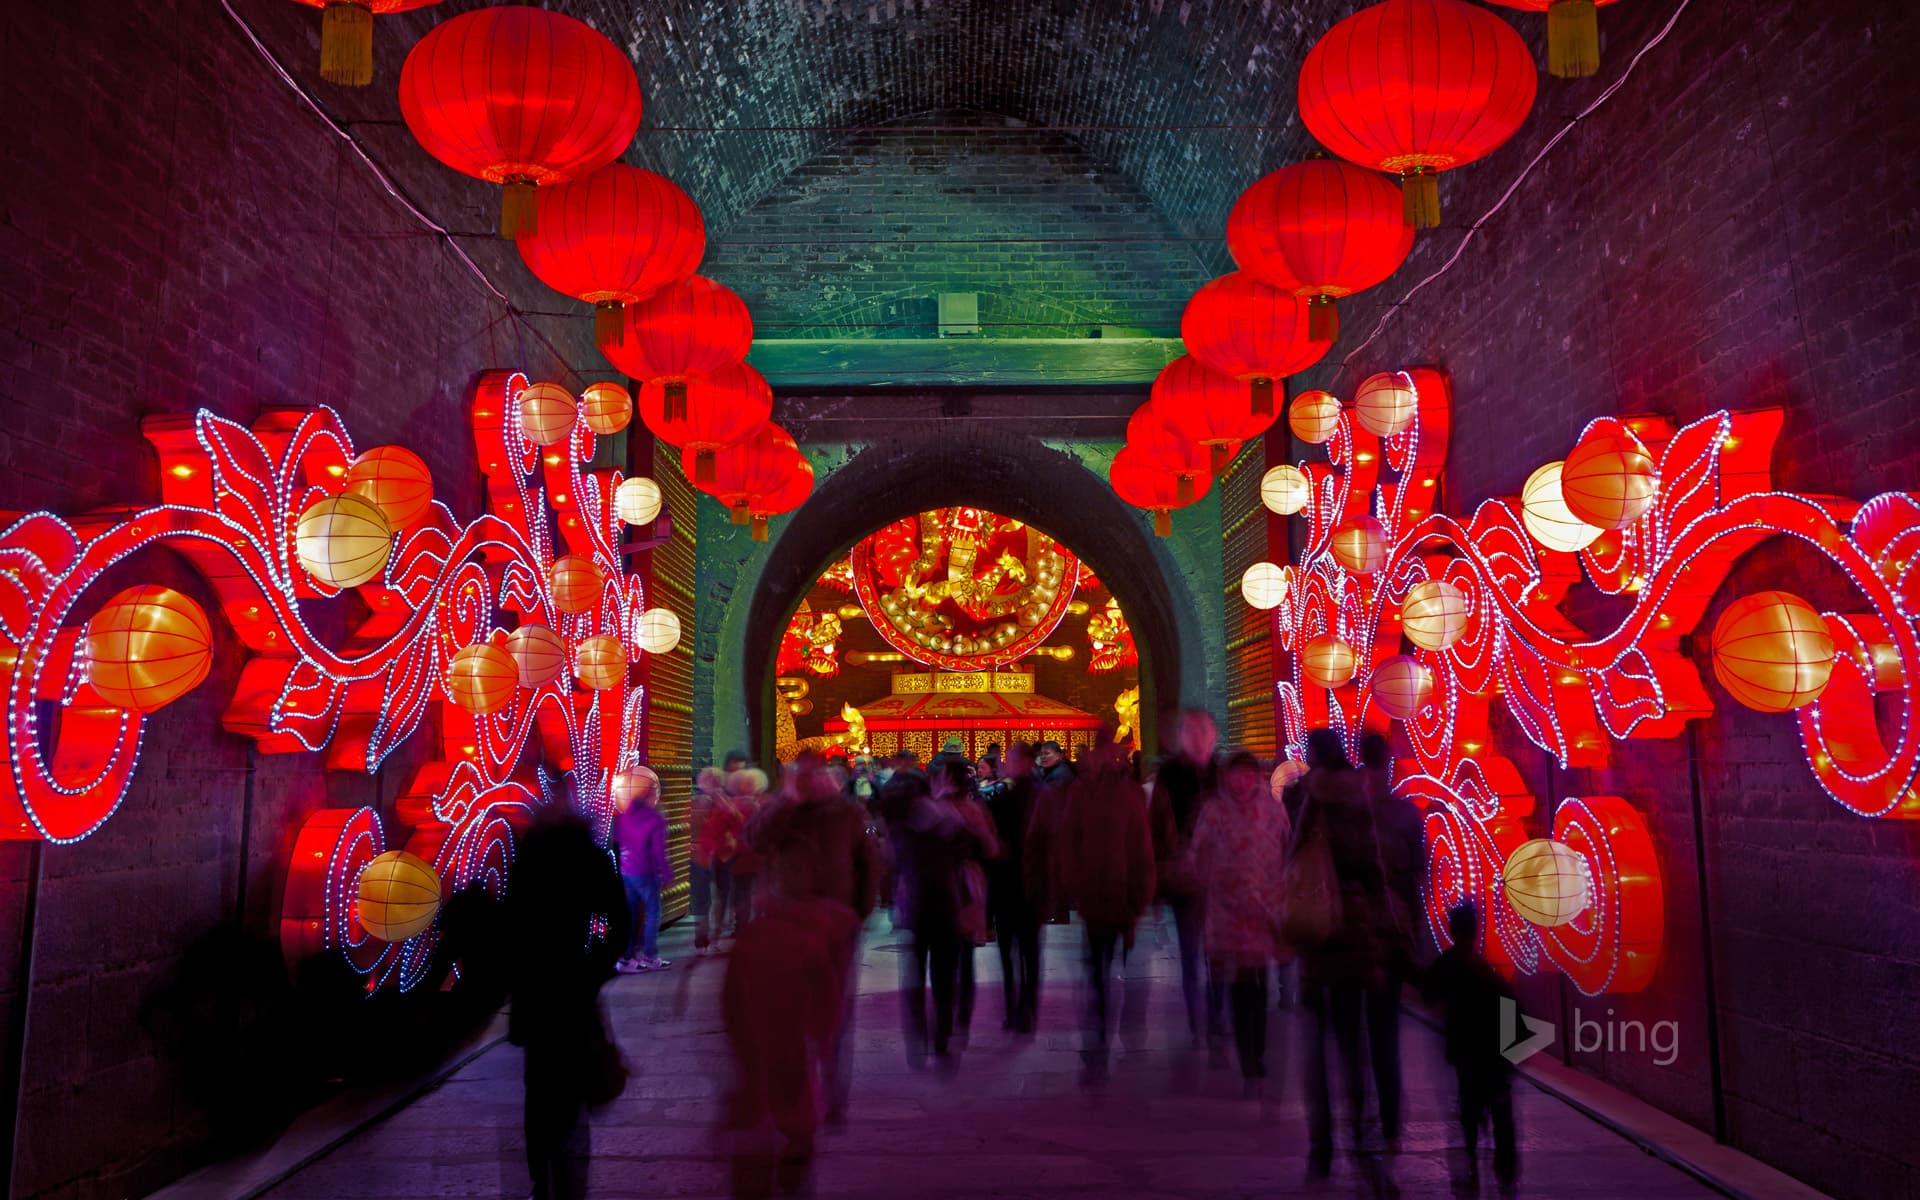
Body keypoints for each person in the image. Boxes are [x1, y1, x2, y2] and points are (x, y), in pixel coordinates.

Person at [507, 809, 629, 1200]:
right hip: (573, 986)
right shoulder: (589, 857)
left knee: (538, 1091)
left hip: (536, 989)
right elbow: (619, 921)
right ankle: (569, 1180)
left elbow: (511, 921)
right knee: (572, 1087)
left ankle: (541, 1180)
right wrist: (595, 969)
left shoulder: (528, 857)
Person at [1294, 729, 1400, 1175]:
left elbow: (1294, 860)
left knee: (1316, 1045)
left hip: (1321, 936)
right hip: (1361, 937)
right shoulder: (1363, 800)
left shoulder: (1308, 797)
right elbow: (1378, 868)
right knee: (1354, 1042)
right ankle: (1362, 1131)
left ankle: (1322, 1144)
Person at [1054, 730, 1156, 1084]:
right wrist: (1077, 888)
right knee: (1100, 973)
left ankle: (1112, 1039)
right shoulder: (1085, 793)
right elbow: (1069, 843)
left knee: (1112, 973)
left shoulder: (1120, 793)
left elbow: (1141, 848)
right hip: (1099, 897)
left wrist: (1142, 895)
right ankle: (1099, 1043)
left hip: (1120, 895)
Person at [1190, 750, 1291, 1096]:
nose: (1242, 780)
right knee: (1239, 985)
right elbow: (1199, 855)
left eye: (1248, 773)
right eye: (1236, 774)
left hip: (1263, 911)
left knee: (1258, 983)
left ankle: (1256, 1053)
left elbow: (1286, 850)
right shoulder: (1214, 811)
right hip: (1228, 912)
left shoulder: (1272, 809)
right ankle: (1247, 1054)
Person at [887, 758, 985, 1066]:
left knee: (915, 974)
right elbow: (970, 847)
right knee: (944, 975)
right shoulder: (948, 818)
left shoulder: (900, 826)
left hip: (916, 904)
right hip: (945, 902)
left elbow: (889, 861)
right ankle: (941, 1037)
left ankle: (918, 1039)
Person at [1421, 902, 1518, 1192]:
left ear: (1452, 930)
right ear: (1476, 931)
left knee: (1469, 1104)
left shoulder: (1447, 965)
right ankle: (1505, 1171)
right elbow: (1512, 1013)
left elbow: (1427, 993)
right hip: (1494, 1053)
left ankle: (1472, 1156)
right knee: (1500, 1108)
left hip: (1465, 1051)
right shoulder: (1489, 974)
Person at [1150, 708, 1224, 1052]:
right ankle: (1199, 1024)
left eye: (1203, 732)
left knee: (1220, 954)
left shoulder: (1222, 773)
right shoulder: (1169, 775)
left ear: (1213, 737)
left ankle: (1217, 1019)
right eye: (1191, 732)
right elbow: (1155, 830)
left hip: (1220, 879)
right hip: (1183, 879)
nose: (1198, 739)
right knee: (1192, 954)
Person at [988, 741, 1043, 1033]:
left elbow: (992, 845)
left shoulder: (1005, 800)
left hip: (1009, 886)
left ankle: (1014, 1008)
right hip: (1030, 886)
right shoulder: (1040, 796)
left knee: (1011, 953)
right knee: (1029, 952)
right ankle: (1028, 1008)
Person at [611, 772, 673, 973]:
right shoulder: (654, 819)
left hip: (626, 872)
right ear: (651, 795)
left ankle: (626, 958)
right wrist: (666, 874)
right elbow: (658, 852)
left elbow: (618, 843)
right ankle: (649, 956)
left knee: (630, 914)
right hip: (646, 872)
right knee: (653, 913)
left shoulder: (623, 818)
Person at [690, 766, 728, 956]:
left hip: (717, 856)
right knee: (706, 900)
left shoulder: (723, 804)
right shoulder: (697, 804)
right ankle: (704, 938)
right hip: (705, 857)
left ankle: (710, 938)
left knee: (717, 899)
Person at [727, 768, 770, 932]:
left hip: (756, 853)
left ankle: (756, 922)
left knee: (756, 890)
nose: (747, 786)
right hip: (742, 855)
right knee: (742, 891)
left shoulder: (763, 803)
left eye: (750, 783)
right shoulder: (736, 803)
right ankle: (742, 924)